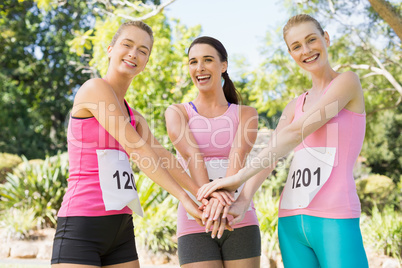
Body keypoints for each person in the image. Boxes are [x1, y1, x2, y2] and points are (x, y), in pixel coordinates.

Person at [197, 14, 369, 268]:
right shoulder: (293, 105)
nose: (306, 50)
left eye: (312, 40)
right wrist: (243, 199)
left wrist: (236, 178)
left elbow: (295, 132)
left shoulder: (347, 82)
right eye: (296, 46)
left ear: (326, 39)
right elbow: (271, 155)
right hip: (290, 222)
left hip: (335, 217)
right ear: (291, 53)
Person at [51, 20, 210, 268]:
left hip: (121, 228)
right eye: (127, 45)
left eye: (143, 51)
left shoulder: (134, 116)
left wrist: (202, 195)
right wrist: (183, 197)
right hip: (82, 223)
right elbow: (136, 148)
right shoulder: (94, 89)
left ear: (145, 63)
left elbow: (165, 159)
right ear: (110, 49)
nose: (134, 54)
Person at [165, 36, 261, 268]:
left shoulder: (246, 114)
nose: (199, 68)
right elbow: (191, 155)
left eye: (207, 60)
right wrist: (208, 202)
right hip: (195, 219)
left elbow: (237, 158)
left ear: (223, 66)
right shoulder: (177, 112)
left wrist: (221, 203)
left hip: (239, 216)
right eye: (193, 62)